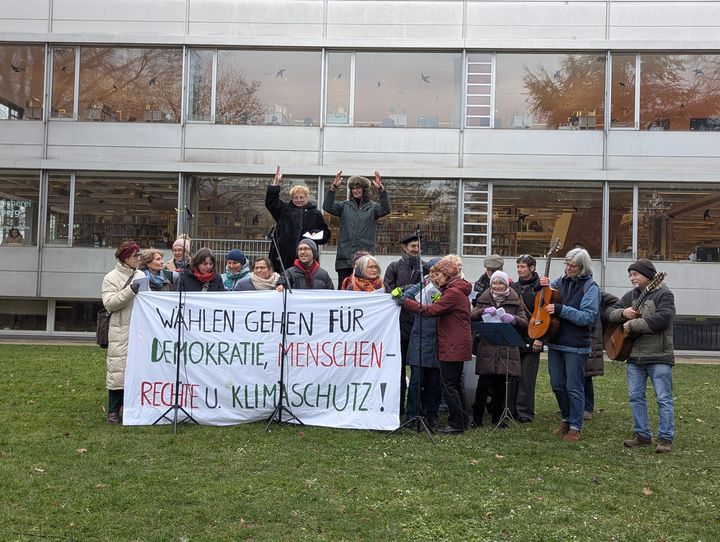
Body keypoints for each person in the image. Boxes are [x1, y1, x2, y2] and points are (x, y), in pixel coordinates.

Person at [607, 258, 676, 453]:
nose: (631, 278)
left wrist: (632, 324)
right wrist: (623, 313)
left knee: (663, 398)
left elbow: (662, 320)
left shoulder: (664, 294)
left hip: (659, 355)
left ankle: (666, 438)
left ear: (648, 276)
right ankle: (642, 434)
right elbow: (608, 313)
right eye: (630, 274)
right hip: (634, 356)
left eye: (635, 274)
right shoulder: (631, 296)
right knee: (635, 396)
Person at [401, 257, 473, 434]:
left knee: (448, 385)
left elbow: (431, 310)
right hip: (456, 342)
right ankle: (461, 420)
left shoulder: (453, 293)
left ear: (447, 275)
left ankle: (457, 423)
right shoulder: (455, 289)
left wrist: (406, 302)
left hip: (452, 343)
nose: (436, 278)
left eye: (438, 274)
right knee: (453, 384)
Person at [539, 247, 599, 442]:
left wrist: (561, 309)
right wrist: (541, 286)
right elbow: (544, 298)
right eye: (567, 264)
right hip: (556, 341)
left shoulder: (590, 287)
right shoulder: (560, 282)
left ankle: (575, 426)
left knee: (574, 386)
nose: (568, 269)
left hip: (576, 345)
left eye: (573, 266)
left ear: (583, 267)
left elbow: (588, 317)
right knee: (557, 384)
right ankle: (566, 418)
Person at [470, 270, 528, 427]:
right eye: (494, 283)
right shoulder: (483, 299)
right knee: (483, 384)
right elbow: (471, 316)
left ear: (506, 285)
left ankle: (498, 418)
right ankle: (477, 418)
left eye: (500, 283)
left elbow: (525, 322)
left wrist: (514, 319)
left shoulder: (515, 300)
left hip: (506, 348)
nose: (497, 286)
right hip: (487, 347)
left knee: (501, 385)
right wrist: (482, 311)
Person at [384, 234, 430, 417]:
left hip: (419, 323)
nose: (415, 249)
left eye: (418, 246)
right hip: (399, 324)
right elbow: (388, 289)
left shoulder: (425, 267)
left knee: (420, 370)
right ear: (404, 247)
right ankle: (398, 405)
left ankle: (418, 407)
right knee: (399, 368)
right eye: (412, 246)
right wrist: (405, 290)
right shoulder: (394, 267)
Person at [323, 170, 391, 288]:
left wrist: (381, 190)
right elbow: (327, 206)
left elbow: (386, 209)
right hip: (345, 257)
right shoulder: (344, 206)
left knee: (364, 289)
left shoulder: (373, 207)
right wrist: (333, 187)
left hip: (365, 258)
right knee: (344, 289)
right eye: (353, 188)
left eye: (358, 188)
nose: (355, 191)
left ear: (365, 190)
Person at [101, 241, 145, 423]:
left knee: (136, 368)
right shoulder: (111, 278)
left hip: (139, 327)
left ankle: (130, 406)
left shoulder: (141, 275)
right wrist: (130, 290)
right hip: (120, 328)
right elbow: (110, 303)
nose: (139, 258)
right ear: (125, 258)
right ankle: (113, 410)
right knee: (118, 369)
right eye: (135, 256)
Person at [266, 166, 330, 273]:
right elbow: (271, 202)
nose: (299, 200)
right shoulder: (284, 210)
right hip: (282, 258)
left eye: (301, 197)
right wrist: (275, 183)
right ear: (292, 198)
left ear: (306, 197)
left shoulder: (315, 213)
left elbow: (326, 235)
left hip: (306, 259)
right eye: (296, 197)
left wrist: (316, 234)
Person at [403, 258, 442, 430]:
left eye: (438, 272)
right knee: (416, 381)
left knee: (434, 382)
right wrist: (419, 306)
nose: (434, 275)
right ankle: (412, 414)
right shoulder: (420, 286)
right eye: (432, 271)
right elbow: (402, 298)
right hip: (419, 337)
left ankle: (431, 414)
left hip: (439, 339)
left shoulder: (448, 289)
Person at [510, 254, 543, 422]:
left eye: (523, 266)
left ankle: (525, 413)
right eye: (518, 266)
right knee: (513, 376)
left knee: (527, 378)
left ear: (532, 268)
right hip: (516, 336)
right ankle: (511, 409)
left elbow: (543, 315)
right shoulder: (514, 287)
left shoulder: (541, 288)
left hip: (533, 337)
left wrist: (540, 338)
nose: (520, 270)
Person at [583, 290, 619, 420]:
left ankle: (587, 408)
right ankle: (575, 406)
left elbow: (615, 302)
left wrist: (604, 316)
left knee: (586, 375)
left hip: (590, 337)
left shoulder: (593, 291)